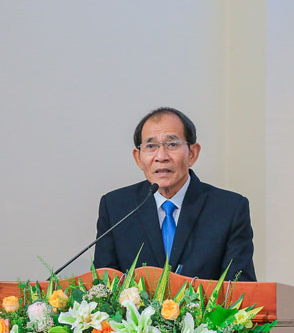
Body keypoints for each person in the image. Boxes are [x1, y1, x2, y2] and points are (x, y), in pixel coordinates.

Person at [94, 108, 257, 281]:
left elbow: (241, 288)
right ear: (138, 158)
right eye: (151, 146)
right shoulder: (115, 207)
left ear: (192, 153)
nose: (161, 156)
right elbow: (103, 285)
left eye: (172, 144)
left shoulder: (229, 209)